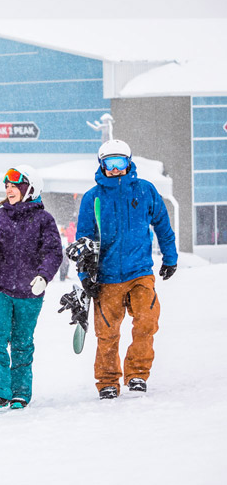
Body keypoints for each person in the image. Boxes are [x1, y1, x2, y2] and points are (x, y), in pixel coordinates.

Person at [75, 139, 177, 400]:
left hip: (140, 271)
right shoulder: (92, 197)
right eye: (110, 163)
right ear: (102, 164)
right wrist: (86, 277)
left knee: (147, 321)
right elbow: (83, 241)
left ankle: (138, 374)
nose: (116, 168)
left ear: (129, 162)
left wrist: (170, 257)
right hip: (106, 277)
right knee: (106, 332)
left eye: (121, 162)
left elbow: (162, 225)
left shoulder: (145, 191)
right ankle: (108, 380)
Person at [0, 165, 63, 410]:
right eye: (7, 186)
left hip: (29, 292)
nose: (9, 190)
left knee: (22, 343)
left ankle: (20, 391)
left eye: (15, 186)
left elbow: (54, 252)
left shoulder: (44, 219)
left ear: (30, 188)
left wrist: (44, 276)